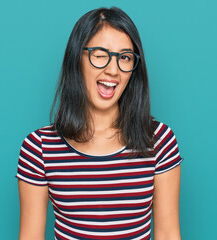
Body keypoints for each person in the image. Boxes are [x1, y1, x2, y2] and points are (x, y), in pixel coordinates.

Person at [16, 7, 183, 240]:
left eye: (124, 57)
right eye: (100, 54)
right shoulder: (39, 148)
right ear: (77, 58)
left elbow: (167, 234)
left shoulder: (160, 141)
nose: (112, 70)